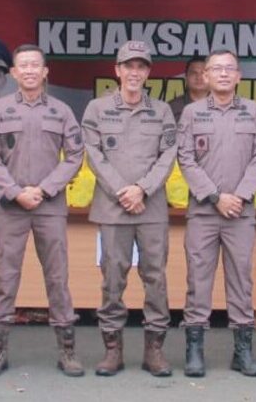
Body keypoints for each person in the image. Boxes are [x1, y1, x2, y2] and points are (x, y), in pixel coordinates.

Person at [0, 45, 86, 377]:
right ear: (14, 73)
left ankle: (67, 351)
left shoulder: (61, 111)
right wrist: (15, 191)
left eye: (34, 65)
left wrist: (45, 189)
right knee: (4, 277)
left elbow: (75, 156)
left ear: (45, 72)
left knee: (57, 277)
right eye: (22, 66)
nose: (28, 71)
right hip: (12, 207)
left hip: (49, 205)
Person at [81, 40, 178, 377]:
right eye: (129, 66)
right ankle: (112, 350)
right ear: (117, 70)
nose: (134, 72)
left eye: (141, 67)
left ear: (148, 73)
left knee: (156, 278)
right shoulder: (97, 108)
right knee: (112, 278)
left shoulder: (162, 111)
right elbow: (93, 154)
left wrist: (142, 189)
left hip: (151, 208)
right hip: (113, 208)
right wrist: (123, 191)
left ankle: (155, 351)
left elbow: (168, 156)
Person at [176, 48, 256, 378]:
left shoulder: (254, 111)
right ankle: (194, 351)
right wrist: (216, 197)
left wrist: (240, 196)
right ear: (205, 76)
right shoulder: (191, 113)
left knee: (241, 280)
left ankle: (242, 352)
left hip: (240, 213)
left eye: (229, 69)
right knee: (198, 280)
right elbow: (185, 158)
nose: (222, 74)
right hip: (204, 212)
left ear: (239, 76)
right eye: (216, 69)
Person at [167, 56, 208, 123]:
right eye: (194, 73)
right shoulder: (171, 107)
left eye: (203, 73)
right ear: (186, 77)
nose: (199, 77)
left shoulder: (222, 107)